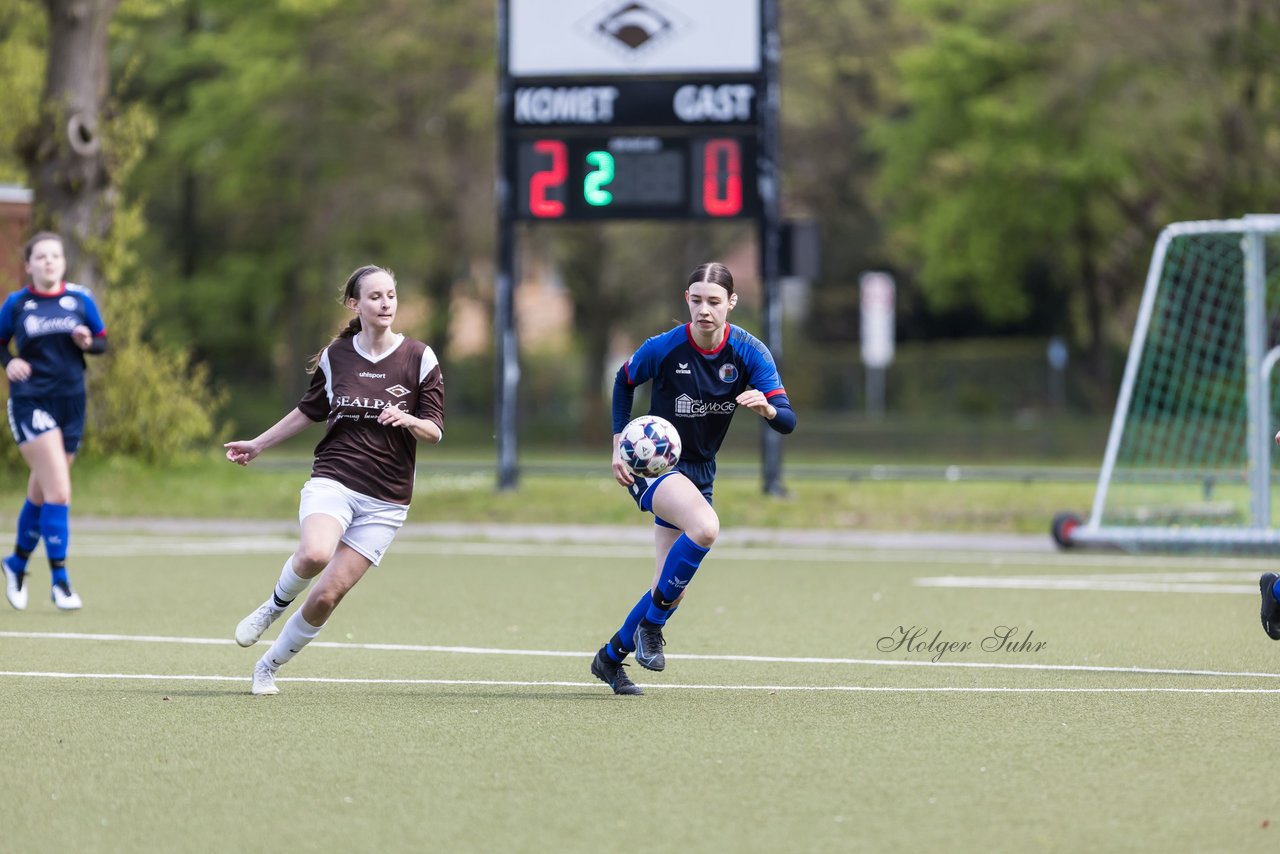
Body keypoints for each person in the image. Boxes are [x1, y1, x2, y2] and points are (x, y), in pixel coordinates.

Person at [225, 265, 444, 696]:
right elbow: (309, 410)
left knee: (325, 597)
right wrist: (259, 444)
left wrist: (409, 418)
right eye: (376, 296)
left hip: (387, 500)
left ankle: (267, 667)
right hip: (335, 477)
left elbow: (435, 430)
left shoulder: (420, 357)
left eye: (391, 296)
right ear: (355, 304)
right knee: (314, 552)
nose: (386, 304)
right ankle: (271, 607)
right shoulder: (337, 356)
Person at [591, 262, 796, 695]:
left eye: (714, 302)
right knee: (705, 528)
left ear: (732, 304)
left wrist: (767, 409)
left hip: (700, 471)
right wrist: (618, 444)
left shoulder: (749, 352)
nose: (705, 310)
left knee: (668, 588)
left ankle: (609, 659)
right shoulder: (664, 347)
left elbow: (788, 421)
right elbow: (624, 380)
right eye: (697, 300)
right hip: (654, 467)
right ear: (687, 299)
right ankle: (651, 628)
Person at [0, 232, 108, 612]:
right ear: (28, 265)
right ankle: (60, 581)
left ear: (62, 262)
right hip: (31, 402)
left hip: (71, 403)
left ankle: (15, 563)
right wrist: (8, 361)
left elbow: (101, 341)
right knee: (60, 492)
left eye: (55, 256)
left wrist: (86, 342)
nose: (49, 261)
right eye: (41, 256)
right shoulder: (16, 304)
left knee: (42, 492)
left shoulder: (79, 299)